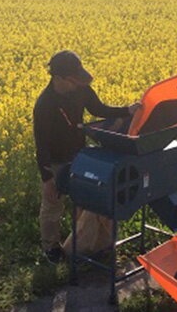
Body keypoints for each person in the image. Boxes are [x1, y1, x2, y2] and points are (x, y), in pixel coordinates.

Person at [33, 50, 141, 264]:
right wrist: (47, 178)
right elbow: (41, 143)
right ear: (59, 78)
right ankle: (51, 248)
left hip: (79, 154)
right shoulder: (45, 104)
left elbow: (99, 109)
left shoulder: (82, 89)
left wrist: (127, 111)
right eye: (73, 80)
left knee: (86, 197)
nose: (78, 84)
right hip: (54, 159)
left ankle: (88, 244)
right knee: (52, 204)